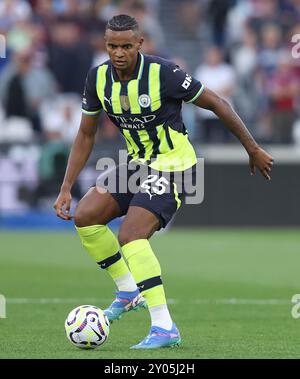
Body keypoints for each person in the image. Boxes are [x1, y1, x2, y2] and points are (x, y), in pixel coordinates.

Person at [53, 14, 274, 349]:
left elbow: (216, 102)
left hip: (176, 167)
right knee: (86, 216)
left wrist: (253, 148)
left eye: (126, 46)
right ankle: (128, 292)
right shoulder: (97, 78)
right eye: (112, 46)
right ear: (105, 45)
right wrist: (66, 187)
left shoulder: (163, 73)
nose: (119, 53)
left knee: (130, 235)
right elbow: (86, 134)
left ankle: (164, 327)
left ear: (140, 44)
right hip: (135, 165)